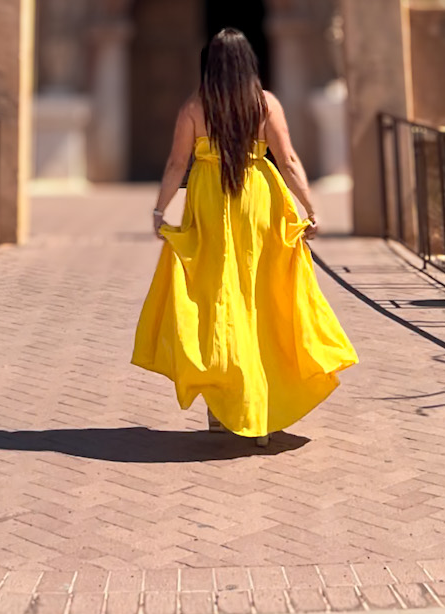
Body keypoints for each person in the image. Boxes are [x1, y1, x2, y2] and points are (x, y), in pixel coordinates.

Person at [131, 28, 357, 443]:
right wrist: (311, 208)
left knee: (219, 303)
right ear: (248, 63)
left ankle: (226, 402)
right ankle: (261, 407)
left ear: (210, 65)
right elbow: (287, 160)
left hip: (211, 208)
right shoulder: (265, 104)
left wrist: (160, 210)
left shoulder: (194, 108)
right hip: (258, 203)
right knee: (261, 300)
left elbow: (176, 164)